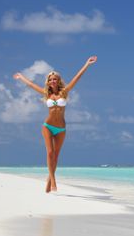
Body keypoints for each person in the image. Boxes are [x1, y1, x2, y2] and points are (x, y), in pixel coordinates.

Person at [13, 56, 97, 193]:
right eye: (50, 79)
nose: (52, 81)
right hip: (47, 126)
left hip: (61, 128)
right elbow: (31, 85)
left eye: (55, 79)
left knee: (56, 156)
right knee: (50, 153)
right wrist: (21, 77)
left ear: (58, 81)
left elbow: (77, 77)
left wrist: (87, 64)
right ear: (48, 82)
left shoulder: (65, 92)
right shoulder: (46, 94)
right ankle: (53, 181)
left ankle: (48, 182)